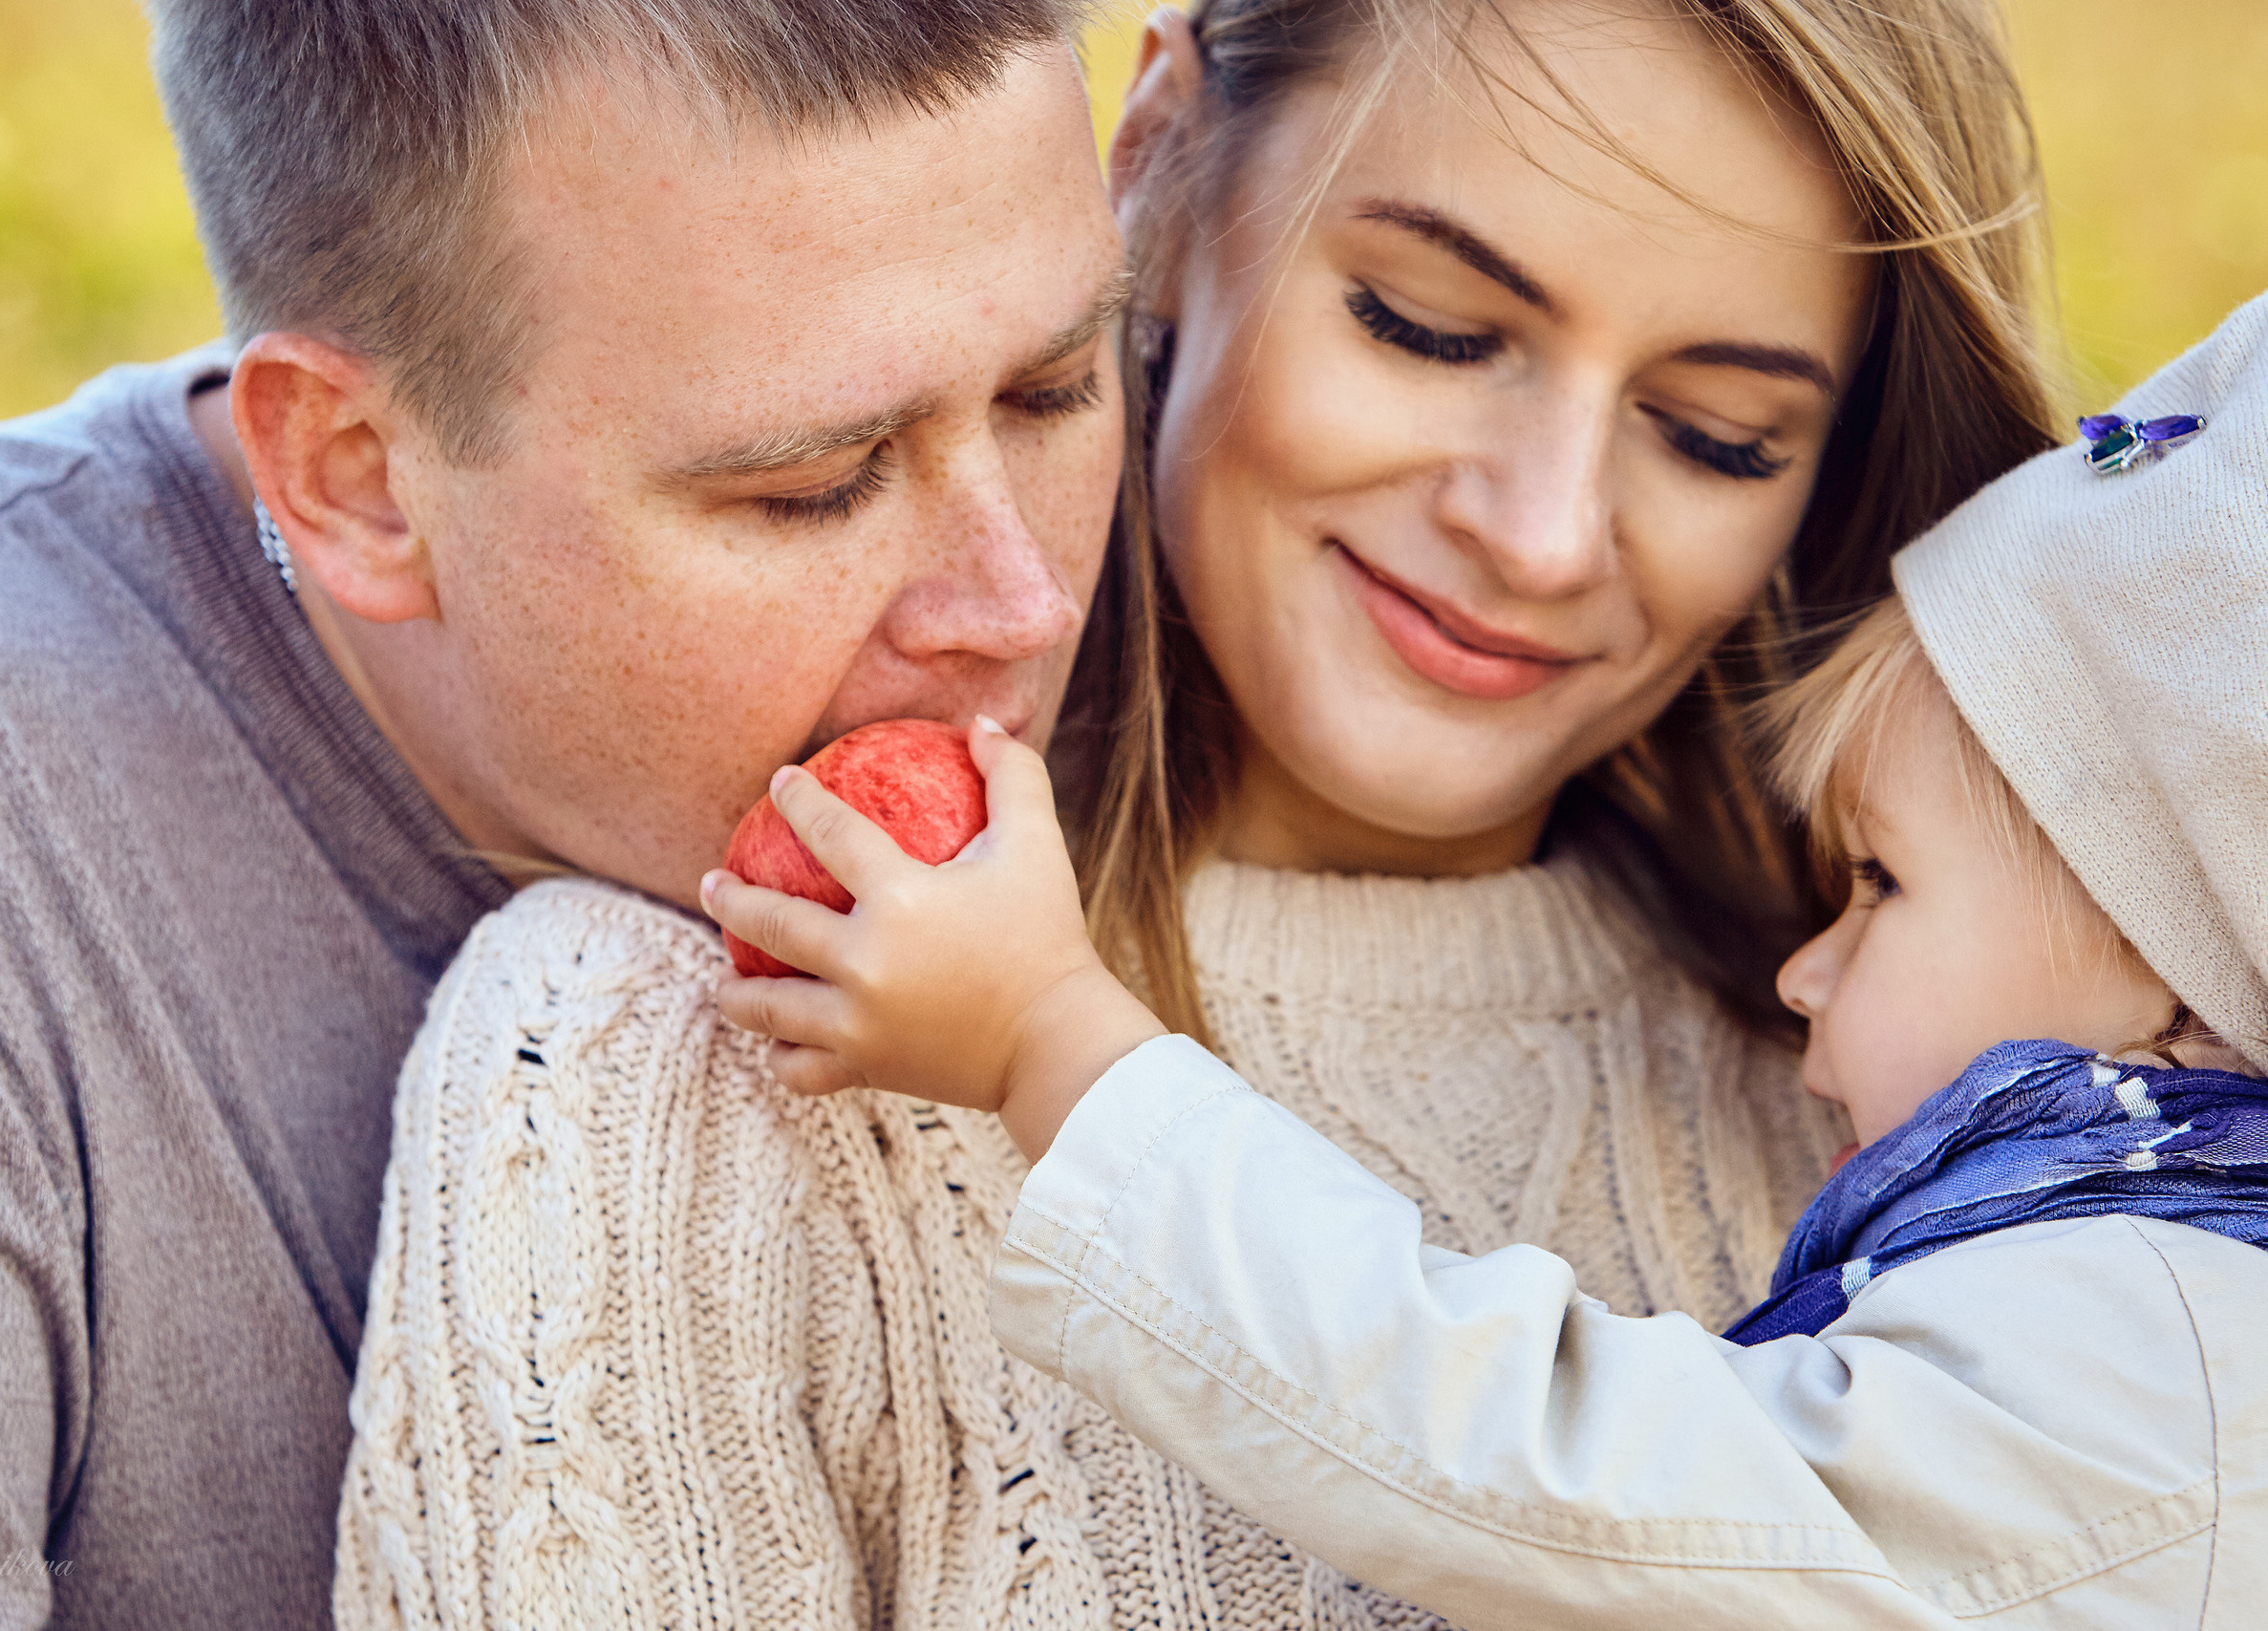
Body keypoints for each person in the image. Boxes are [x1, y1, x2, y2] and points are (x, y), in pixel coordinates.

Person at [345, 0, 2060, 1626]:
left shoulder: (1929, 1099)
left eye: (1714, 436)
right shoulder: (685, 1063)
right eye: (1428, 328)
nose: (1541, 534)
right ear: (1161, 163)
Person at [0, 0, 1124, 1623]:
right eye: (815, 485)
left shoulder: (1225, 600)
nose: (1019, 606)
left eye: (1060, 388)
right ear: (361, 475)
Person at [702, 291, 2268, 1626]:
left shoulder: (2167, 1346)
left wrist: (1054, 1034)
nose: (1808, 969)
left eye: (1880, 883)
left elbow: (1547, 1471)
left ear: (2182, 974)